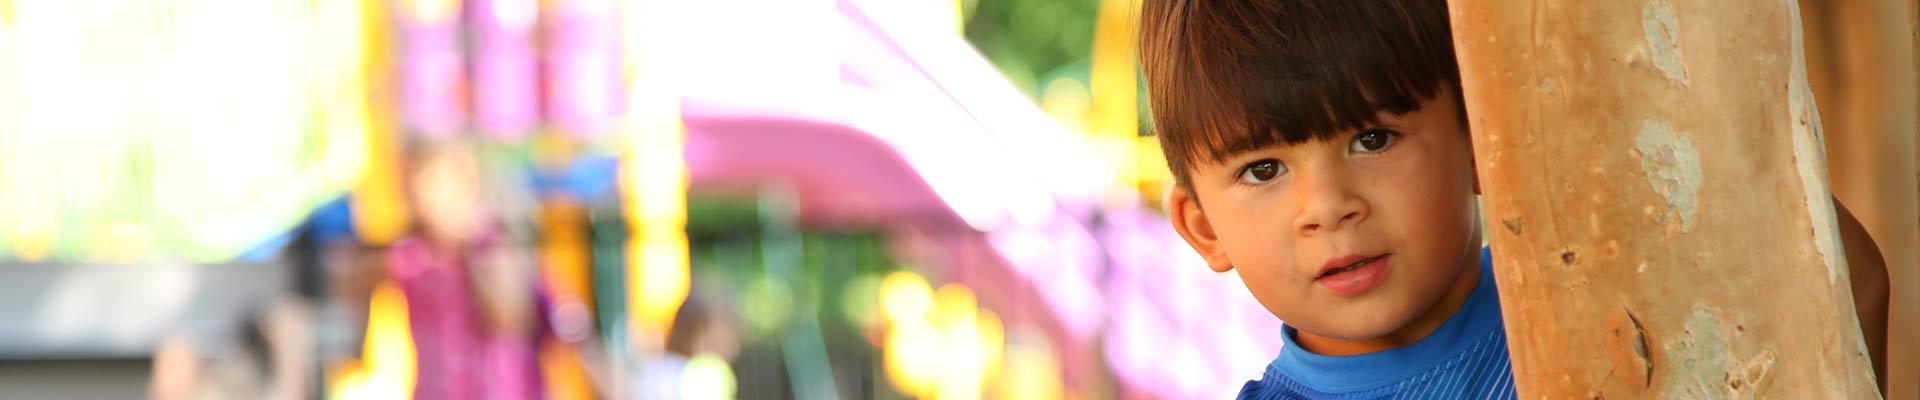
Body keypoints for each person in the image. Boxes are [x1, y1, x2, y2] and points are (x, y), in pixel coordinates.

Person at [1133, 1, 1891, 397]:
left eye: (1372, 139)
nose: (1327, 206)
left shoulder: (1614, 306)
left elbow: (1844, 296)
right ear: (1203, 227)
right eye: (1264, 170)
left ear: (1482, 138)